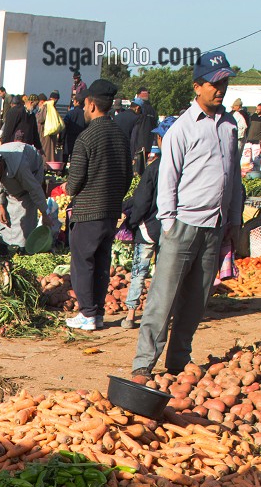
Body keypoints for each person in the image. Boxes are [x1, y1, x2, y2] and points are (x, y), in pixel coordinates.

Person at [132, 51, 241, 379]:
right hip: (182, 224)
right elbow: (168, 177)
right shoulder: (182, 128)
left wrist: (233, 220)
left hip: (215, 226)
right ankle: (143, 364)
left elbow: (233, 176)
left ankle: (178, 360)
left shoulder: (230, 126)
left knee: (196, 301)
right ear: (197, 86)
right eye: (213, 83)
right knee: (163, 299)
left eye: (224, 82)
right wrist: (168, 222)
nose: (219, 89)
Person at [65, 78, 132, 331]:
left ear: (92, 105)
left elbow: (74, 183)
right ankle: (98, 313)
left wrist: (72, 191)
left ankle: (87, 313)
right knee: (102, 261)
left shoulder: (86, 138)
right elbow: (127, 176)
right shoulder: (120, 136)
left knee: (83, 261)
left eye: (84, 105)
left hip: (88, 211)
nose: (83, 109)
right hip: (110, 211)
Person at [120, 118, 173, 329]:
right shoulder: (184, 167)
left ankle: (131, 315)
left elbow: (142, 201)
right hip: (172, 229)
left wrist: (131, 222)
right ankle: (162, 315)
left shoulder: (155, 168)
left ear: (161, 139)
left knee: (139, 272)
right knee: (164, 273)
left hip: (149, 227)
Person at [0, 144, 50, 248]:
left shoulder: (20, 167)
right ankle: (6, 243)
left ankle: (24, 246)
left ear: (1, 165)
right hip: (12, 175)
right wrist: (0, 206)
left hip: (32, 168)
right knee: (6, 216)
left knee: (25, 213)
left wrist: (44, 213)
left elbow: (34, 189)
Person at [132, 90, 158, 174]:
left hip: (138, 141)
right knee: (144, 163)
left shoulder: (141, 109)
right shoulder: (153, 110)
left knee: (137, 166)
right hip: (149, 141)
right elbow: (155, 125)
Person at [40, 91, 64, 171]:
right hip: (48, 133)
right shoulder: (50, 106)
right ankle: (46, 168)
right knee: (48, 151)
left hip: (46, 132)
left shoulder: (46, 106)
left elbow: (40, 119)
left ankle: (45, 168)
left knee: (45, 151)